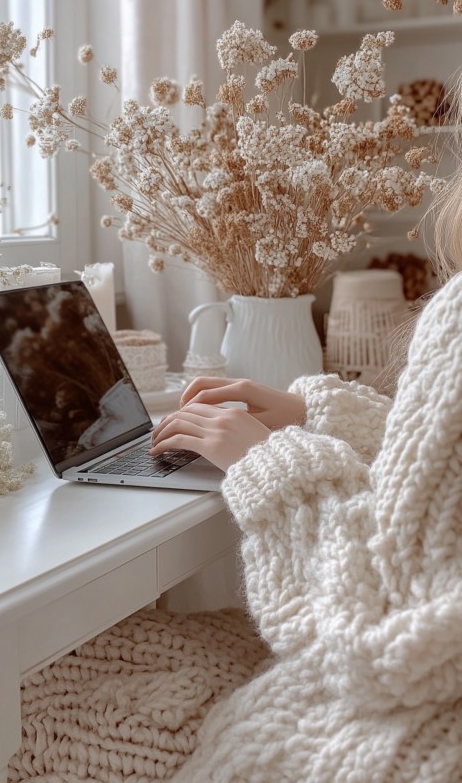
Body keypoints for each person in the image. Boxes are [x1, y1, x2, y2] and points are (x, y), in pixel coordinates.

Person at [144, 178, 462, 779]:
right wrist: (316, 415)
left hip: (400, 741)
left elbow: (380, 641)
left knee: (30, 690)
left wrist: (271, 464)